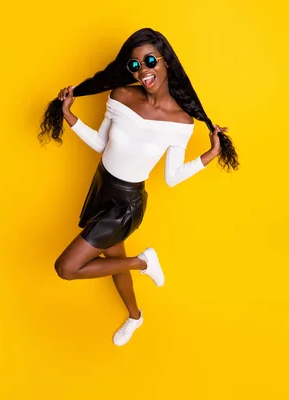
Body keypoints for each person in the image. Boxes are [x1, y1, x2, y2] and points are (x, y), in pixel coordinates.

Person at [38, 27, 239, 346]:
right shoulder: (120, 95)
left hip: (125, 205)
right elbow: (103, 143)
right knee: (112, 263)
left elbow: (172, 176)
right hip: (102, 187)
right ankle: (135, 317)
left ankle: (143, 262)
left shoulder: (181, 122)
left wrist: (211, 153)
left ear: (166, 62)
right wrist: (70, 117)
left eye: (149, 61)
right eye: (135, 65)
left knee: (67, 267)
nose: (143, 70)